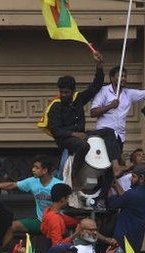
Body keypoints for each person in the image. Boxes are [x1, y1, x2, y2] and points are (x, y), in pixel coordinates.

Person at [46, 49, 106, 179]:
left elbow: (96, 86)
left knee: (108, 133)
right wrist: (74, 134)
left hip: (81, 135)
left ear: (73, 92)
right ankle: (73, 175)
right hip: (65, 139)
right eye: (62, 92)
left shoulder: (78, 99)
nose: (63, 95)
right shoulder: (55, 106)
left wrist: (99, 65)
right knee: (84, 146)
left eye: (66, 92)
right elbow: (55, 130)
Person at [0, 155, 69, 246]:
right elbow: (11, 185)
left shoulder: (59, 184)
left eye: (37, 168)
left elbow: (67, 203)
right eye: (33, 167)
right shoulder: (32, 181)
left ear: (45, 170)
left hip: (56, 221)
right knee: (12, 227)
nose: (33, 170)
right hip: (40, 221)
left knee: (55, 244)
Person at [108, 163, 145, 252]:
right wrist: (116, 185)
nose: (130, 178)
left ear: (141, 179)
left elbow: (112, 204)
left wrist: (107, 185)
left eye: (133, 176)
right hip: (135, 242)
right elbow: (126, 198)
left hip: (122, 242)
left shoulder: (133, 194)